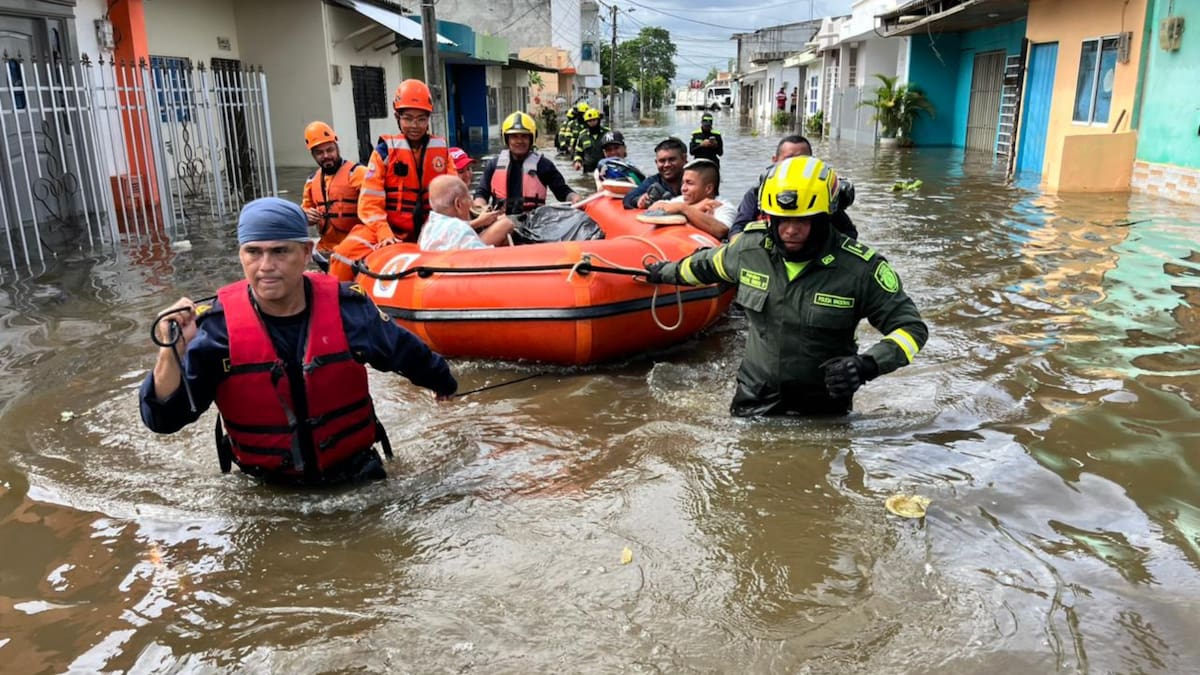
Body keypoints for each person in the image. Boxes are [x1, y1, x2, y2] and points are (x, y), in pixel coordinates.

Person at [139, 198, 458, 486]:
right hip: (263, 488)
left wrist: (445, 384)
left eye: (280, 251)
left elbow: (409, 354)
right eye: (254, 252)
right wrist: (170, 349)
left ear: (306, 252)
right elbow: (163, 421)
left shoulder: (349, 310)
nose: (266, 266)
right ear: (241, 255)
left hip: (355, 477)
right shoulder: (215, 330)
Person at [642, 156, 927, 417]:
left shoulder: (861, 270)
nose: (790, 230)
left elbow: (911, 329)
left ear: (825, 217)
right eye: (782, 221)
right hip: (755, 398)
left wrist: (867, 365)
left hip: (824, 407)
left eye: (803, 221)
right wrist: (661, 272)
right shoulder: (749, 250)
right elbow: (705, 266)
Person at [329, 79, 455, 282]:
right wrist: (384, 234)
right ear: (397, 117)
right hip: (389, 227)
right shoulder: (384, 152)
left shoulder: (442, 151)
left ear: (428, 120)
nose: (414, 125)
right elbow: (370, 203)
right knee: (342, 256)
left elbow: (454, 196)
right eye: (408, 118)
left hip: (430, 228)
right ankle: (340, 299)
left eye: (421, 119)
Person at [730, 134, 858, 240]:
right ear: (775, 160)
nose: (795, 165)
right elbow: (737, 230)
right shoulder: (760, 192)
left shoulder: (822, 192)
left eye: (802, 159)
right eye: (789, 159)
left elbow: (848, 233)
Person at [474, 111, 579, 216]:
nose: (519, 141)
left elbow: (562, 191)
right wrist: (480, 208)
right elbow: (481, 192)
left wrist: (574, 197)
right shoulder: (493, 165)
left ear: (531, 139)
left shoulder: (544, 165)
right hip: (500, 219)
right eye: (514, 136)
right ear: (506, 139)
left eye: (524, 136)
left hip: (533, 221)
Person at [300, 121, 366, 257]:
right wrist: (305, 216)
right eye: (319, 152)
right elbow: (304, 211)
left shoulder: (358, 173)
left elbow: (376, 206)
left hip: (357, 248)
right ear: (313, 155)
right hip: (326, 250)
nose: (326, 156)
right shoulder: (312, 181)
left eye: (330, 150)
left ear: (337, 148)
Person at [421, 175, 514, 251]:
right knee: (506, 224)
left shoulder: (428, 228)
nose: (471, 204)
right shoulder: (459, 228)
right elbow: (483, 259)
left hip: (440, 264)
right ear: (458, 204)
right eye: (469, 199)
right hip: (461, 265)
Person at [650, 159, 736, 240]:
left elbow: (721, 230)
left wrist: (684, 209)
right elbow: (652, 209)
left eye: (689, 183)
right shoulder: (682, 201)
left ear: (708, 188)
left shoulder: (723, 207)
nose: (683, 188)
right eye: (683, 183)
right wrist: (694, 208)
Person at [622, 137, 687, 210]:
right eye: (662, 161)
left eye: (672, 159)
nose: (667, 165)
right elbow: (628, 199)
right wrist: (639, 200)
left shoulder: (694, 180)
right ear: (656, 162)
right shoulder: (653, 181)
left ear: (684, 158)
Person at [572, 108, 610, 173]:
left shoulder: (607, 133)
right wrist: (577, 161)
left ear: (598, 120)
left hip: (605, 169)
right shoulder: (583, 135)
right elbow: (578, 152)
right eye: (589, 121)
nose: (592, 122)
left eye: (594, 120)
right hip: (588, 170)